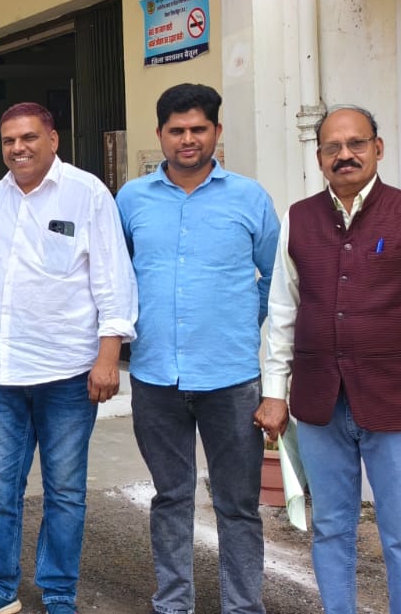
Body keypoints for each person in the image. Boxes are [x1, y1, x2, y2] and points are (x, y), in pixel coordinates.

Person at [255, 106, 401, 614]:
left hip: (397, 405)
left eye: (356, 143)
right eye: (332, 147)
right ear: (319, 157)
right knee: (331, 529)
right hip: (320, 406)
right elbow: (283, 312)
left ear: (378, 148)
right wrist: (274, 392)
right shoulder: (298, 219)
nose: (345, 155)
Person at [0, 102, 137, 614]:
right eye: (9, 140)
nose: (18, 148)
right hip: (4, 373)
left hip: (68, 373)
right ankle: (0, 588)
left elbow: (113, 279)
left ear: (53, 140)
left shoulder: (87, 194)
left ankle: (59, 591)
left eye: (29, 138)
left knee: (64, 489)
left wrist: (109, 356)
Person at [116, 84, 278, 614]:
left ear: (217, 132)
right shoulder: (131, 200)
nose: (188, 139)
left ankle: (242, 606)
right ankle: (173, 603)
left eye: (198, 129)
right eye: (177, 130)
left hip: (230, 378)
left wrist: (239, 322)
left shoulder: (250, 198)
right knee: (171, 497)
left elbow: (277, 279)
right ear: (160, 134)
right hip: (155, 377)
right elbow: (117, 279)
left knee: (238, 505)